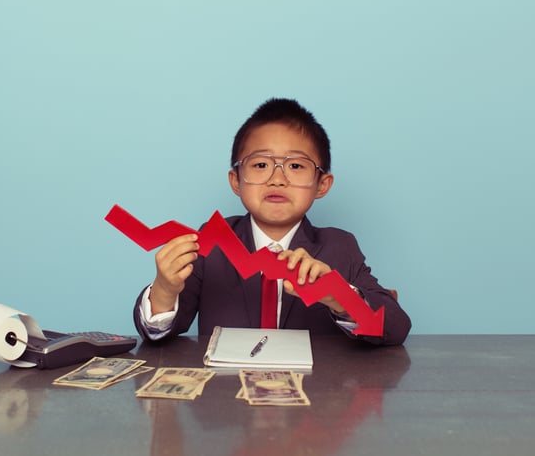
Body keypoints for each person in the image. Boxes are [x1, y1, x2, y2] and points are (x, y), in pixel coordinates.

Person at [133, 98, 411, 345]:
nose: (277, 178)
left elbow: (396, 328)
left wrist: (339, 296)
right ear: (236, 181)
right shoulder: (211, 242)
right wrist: (164, 291)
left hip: (317, 399)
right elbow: (159, 333)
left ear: (322, 184)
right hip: (225, 398)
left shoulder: (340, 246)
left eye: (296, 166)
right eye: (261, 165)